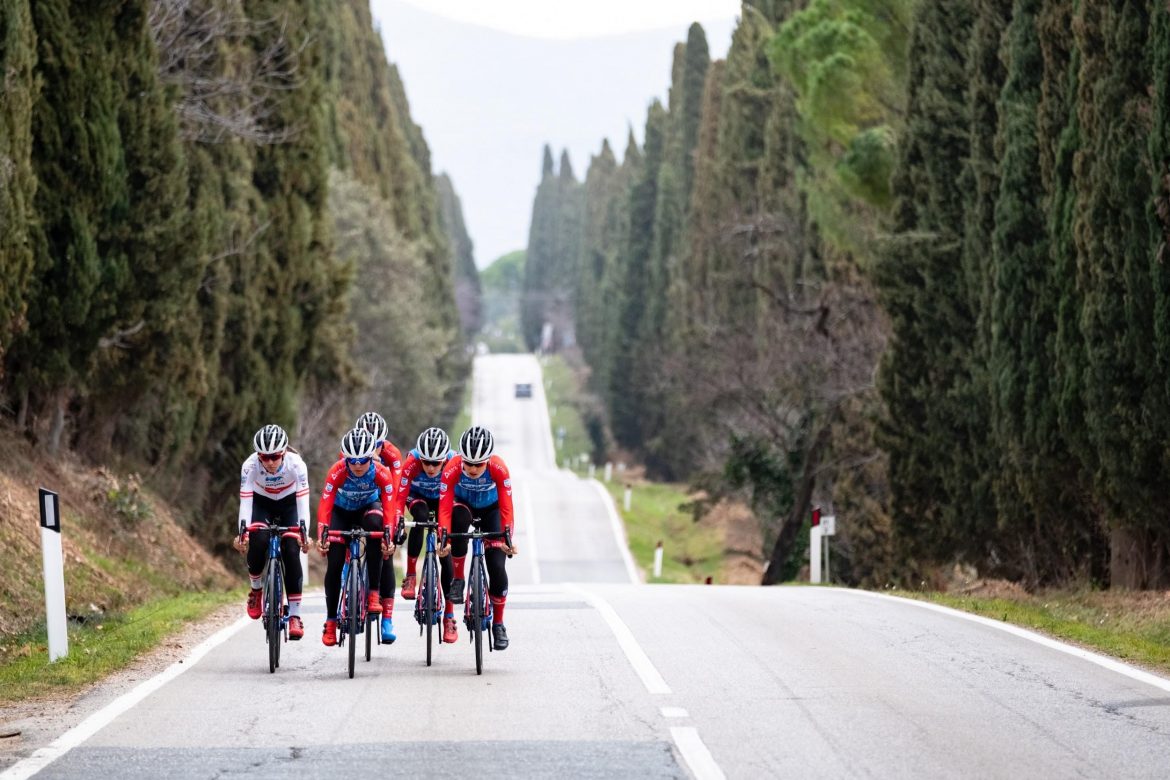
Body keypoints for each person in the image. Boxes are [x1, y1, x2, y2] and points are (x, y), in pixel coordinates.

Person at [316, 427, 398, 647]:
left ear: (371, 456)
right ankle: (331, 621)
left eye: (363, 460)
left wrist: (387, 537)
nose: (358, 465)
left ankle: (373, 593)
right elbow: (325, 504)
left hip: (367, 509)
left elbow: (389, 507)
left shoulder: (381, 472)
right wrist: (322, 534)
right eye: (353, 460)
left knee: (375, 526)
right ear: (346, 458)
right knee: (333, 564)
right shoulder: (337, 470)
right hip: (340, 512)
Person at [438, 425, 518, 650]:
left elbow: (506, 508)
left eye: (478, 464)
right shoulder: (452, 468)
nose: (473, 469)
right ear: (461, 458)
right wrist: (445, 538)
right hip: (464, 507)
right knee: (458, 519)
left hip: (492, 510)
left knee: (496, 565)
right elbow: (444, 508)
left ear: (488, 460)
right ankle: (459, 579)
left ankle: (499, 624)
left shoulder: (499, 468)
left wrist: (507, 539)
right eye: (468, 464)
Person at [233, 424, 311, 639]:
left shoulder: (297, 465)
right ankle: (256, 590)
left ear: (284, 452)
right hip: (262, 503)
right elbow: (246, 502)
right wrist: (244, 533)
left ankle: (295, 615)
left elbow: (303, 501)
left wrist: (304, 532)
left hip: (289, 504)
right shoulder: (249, 466)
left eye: (275, 457)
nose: (269, 463)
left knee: (291, 549)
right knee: (258, 541)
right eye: (264, 457)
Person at [354, 411, 407, 643]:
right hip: (355, 502)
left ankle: (387, 618)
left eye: (377, 444)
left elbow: (394, 495)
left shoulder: (392, 455)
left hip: (381, 504)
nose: (371, 449)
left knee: (385, 554)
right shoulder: (351, 449)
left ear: (382, 442)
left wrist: (394, 528)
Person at [394, 427, 454, 601]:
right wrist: (398, 520)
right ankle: (411, 576)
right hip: (417, 497)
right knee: (420, 516)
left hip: (442, 498)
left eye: (436, 463)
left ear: (445, 459)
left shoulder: (453, 461)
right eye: (426, 462)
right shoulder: (412, 461)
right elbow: (400, 497)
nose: (430, 467)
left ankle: (449, 618)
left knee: (444, 544)